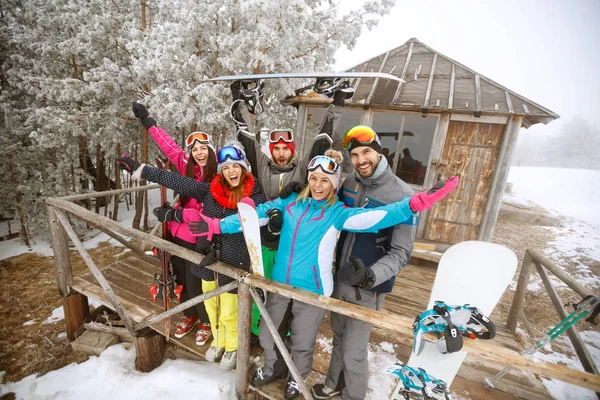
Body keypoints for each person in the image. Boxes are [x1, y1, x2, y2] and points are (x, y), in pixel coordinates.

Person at [187, 149, 458, 400]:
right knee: (268, 335)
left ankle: (298, 376)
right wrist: (215, 224)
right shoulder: (290, 202)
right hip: (280, 283)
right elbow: (252, 216)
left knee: (303, 341)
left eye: (325, 181)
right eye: (313, 178)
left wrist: (416, 203)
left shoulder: (337, 213)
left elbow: (377, 217)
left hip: (312, 289)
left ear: (335, 184)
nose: (317, 185)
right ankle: (273, 368)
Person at [116, 144, 272, 370]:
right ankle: (218, 341)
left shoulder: (255, 195)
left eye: (235, 166)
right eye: (226, 167)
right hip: (207, 257)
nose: (231, 171)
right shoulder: (210, 190)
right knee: (210, 304)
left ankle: (232, 346)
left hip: (234, 260)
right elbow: (175, 180)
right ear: (220, 171)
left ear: (243, 168)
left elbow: (260, 227)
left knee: (230, 309)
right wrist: (141, 170)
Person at [230, 81, 350, 340]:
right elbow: (246, 136)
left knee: (285, 294)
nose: (281, 153)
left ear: (292, 150)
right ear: (271, 151)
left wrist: (337, 104)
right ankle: (257, 334)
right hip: (265, 241)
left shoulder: (303, 168)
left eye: (286, 148)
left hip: (294, 243)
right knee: (261, 289)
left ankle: (283, 335)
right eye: (277, 149)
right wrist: (237, 100)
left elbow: (323, 139)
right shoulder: (263, 166)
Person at [311, 126, 417, 400]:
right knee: (338, 339)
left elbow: (401, 252)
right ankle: (334, 384)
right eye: (355, 155)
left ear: (379, 151)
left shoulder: (401, 195)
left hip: (368, 288)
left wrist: (371, 275)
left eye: (366, 152)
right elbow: (326, 205)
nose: (361, 160)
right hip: (340, 280)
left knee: (354, 351)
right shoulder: (350, 183)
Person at [131, 102, 216, 346]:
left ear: (211, 151)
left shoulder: (217, 175)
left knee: (195, 281)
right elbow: (167, 145)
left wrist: (176, 215)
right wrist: (147, 121)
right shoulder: (185, 166)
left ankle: (205, 320)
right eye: (195, 149)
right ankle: (189, 315)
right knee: (178, 278)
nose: (199, 153)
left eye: (204, 148)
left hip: (199, 240)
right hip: (175, 235)